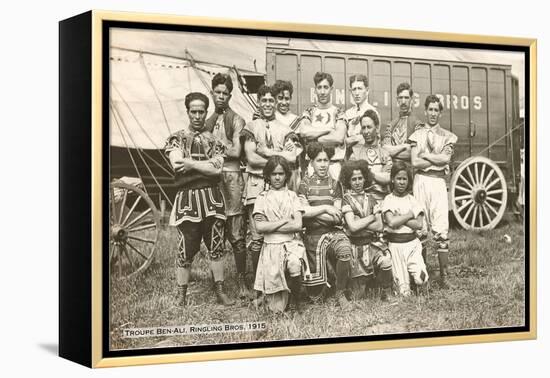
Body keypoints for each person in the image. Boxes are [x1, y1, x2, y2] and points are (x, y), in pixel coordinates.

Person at [164, 92, 234, 307]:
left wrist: (192, 165)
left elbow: (217, 169)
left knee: (216, 246)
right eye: (193, 111)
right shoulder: (176, 138)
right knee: (185, 247)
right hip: (187, 200)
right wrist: (205, 166)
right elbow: (177, 164)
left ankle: (220, 290)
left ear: (206, 112)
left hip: (212, 199)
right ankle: (181, 294)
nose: (197, 116)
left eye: (201, 111)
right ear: (188, 112)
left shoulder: (215, 141)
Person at [241, 85, 302, 287]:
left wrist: (266, 153)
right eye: (264, 100)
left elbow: (292, 158)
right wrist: (278, 158)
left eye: (271, 100)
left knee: (285, 232)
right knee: (258, 236)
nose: (268, 104)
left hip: (281, 186)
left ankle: (285, 281)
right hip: (257, 184)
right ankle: (259, 285)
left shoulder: (285, 130)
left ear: (275, 103)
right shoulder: (251, 127)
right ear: (259, 102)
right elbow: (250, 158)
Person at [204, 73, 250, 299]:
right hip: (213, 180)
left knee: (237, 233)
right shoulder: (207, 120)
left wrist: (214, 144)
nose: (221, 96)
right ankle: (218, 284)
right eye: (217, 92)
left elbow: (236, 151)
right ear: (212, 93)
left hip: (232, 180)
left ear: (230, 95)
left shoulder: (237, 119)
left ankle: (242, 281)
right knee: (216, 231)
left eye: (225, 93)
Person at [409, 95, 458, 289]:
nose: (432, 113)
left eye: (436, 110)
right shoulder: (417, 135)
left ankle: (444, 277)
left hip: (438, 183)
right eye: (430, 109)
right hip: (420, 180)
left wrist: (426, 155)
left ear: (440, 112)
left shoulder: (448, 136)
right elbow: (414, 162)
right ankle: (421, 277)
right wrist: (435, 158)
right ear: (425, 110)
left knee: (440, 228)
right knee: (420, 229)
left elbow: (445, 160)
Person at [297, 142, 353, 310]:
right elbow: (302, 213)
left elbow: (336, 217)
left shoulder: (336, 185)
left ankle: (340, 292)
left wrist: (313, 213)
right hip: (312, 235)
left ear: (330, 162)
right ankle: (321, 288)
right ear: (312, 162)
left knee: (344, 249)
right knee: (315, 296)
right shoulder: (304, 184)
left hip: (332, 232)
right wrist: (325, 208)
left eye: (325, 160)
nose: (322, 164)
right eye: (318, 160)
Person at [253, 156, 308, 312]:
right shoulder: (262, 198)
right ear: (268, 176)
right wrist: (284, 221)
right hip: (270, 246)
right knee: (275, 309)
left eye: (281, 174)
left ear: (286, 175)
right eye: (273, 174)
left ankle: (295, 301)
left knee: (294, 263)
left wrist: (272, 225)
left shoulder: (292, 196)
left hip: (290, 244)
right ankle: (275, 298)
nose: (277, 177)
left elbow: (297, 224)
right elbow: (260, 227)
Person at [339, 160, 393, 300]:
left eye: (360, 178)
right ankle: (362, 285)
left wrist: (360, 221)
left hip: (371, 244)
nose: (357, 182)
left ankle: (385, 290)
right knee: (359, 296)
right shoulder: (346, 200)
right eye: (353, 179)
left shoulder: (372, 198)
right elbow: (352, 227)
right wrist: (371, 218)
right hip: (355, 247)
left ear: (365, 179)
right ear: (348, 181)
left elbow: (380, 226)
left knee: (386, 261)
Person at [382, 161, 428, 296]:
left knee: (422, 278)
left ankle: (417, 283)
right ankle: (406, 284)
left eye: (404, 179)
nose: (401, 182)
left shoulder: (412, 200)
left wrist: (402, 217)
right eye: (398, 178)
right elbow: (391, 222)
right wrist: (410, 215)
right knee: (402, 292)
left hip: (412, 244)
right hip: (395, 245)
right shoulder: (389, 199)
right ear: (392, 180)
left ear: (408, 181)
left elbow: (419, 224)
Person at [297, 72, 347, 180]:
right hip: (313, 166)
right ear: (315, 89)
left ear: (331, 89)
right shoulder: (309, 112)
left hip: (334, 166)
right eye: (319, 88)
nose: (323, 92)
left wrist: (313, 139)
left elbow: (338, 137)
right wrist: (329, 130)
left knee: (336, 196)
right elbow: (304, 132)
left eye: (326, 87)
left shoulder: (339, 112)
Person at [348, 110, 392, 203]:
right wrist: (378, 176)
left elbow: (388, 178)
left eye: (369, 127)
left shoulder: (384, 153)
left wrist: (368, 172)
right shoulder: (355, 153)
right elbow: (352, 182)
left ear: (376, 128)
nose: (366, 131)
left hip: (383, 200)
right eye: (363, 128)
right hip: (362, 201)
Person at [272, 79, 303, 190]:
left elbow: (298, 150)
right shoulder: (270, 118)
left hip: (292, 169)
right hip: (274, 169)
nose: (284, 102)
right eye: (280, 98)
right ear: (275, 99)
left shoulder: (296, 120)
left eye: (287, 98)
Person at [382, 82, 422, 164]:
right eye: (401, 98)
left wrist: (393, 151)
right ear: (397, 99)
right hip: (393, 170)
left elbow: (417, 153)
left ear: (411, 99)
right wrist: (404, 146)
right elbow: (385, 150)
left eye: (406, 98)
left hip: (410, 171)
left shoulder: (417, 124)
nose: (403, 101)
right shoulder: (391, 125)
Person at [344, 74, 380, 148]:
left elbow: (372, 139)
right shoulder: (348, 113)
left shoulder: (373, 112)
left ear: (367, 91)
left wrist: (351, 139)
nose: (357, 93)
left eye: (360, 89)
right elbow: (343, 140)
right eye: (354, 89)